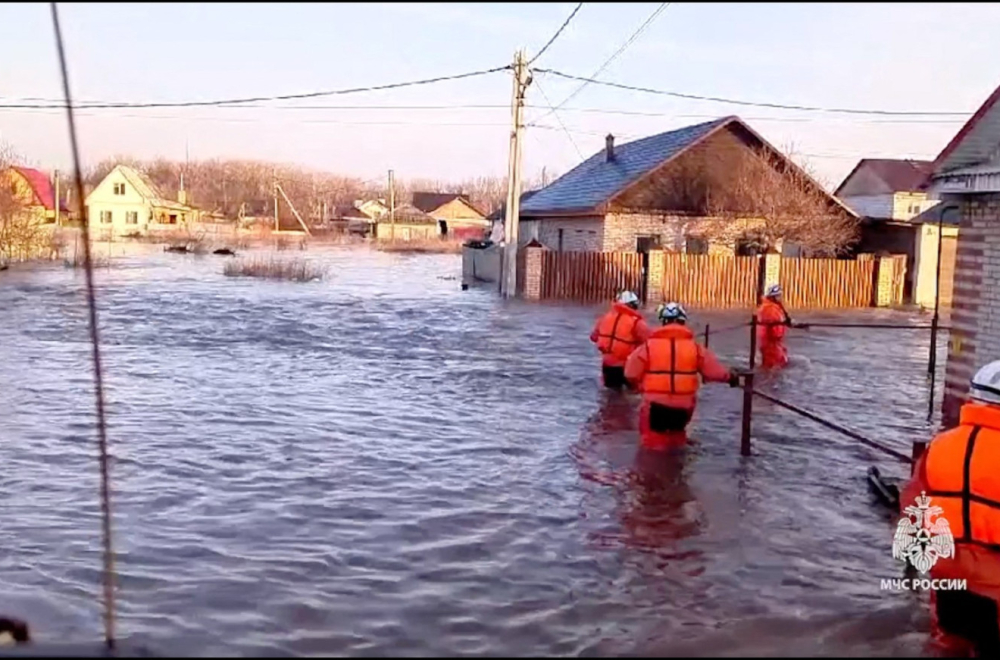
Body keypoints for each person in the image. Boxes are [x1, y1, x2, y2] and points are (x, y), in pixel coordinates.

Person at [901, 360, 1000, 656]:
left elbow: (913, 508)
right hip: (995, 584)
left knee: (948, 646)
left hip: (948, 575)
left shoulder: (940, 445)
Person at [624, 302, 739, 450]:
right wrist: (731, 377)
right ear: (683, 321)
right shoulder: (696, 348)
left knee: (651, 447)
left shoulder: (647, 347)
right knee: (677, 442)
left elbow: (630, 373)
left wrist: (640, 386)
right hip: (683, 407)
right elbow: (714, 372)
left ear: (663, 322)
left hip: (654, 407)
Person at [590, 290, 651, 390]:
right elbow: (650, 342)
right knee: (631, 396)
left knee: (610, 395)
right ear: (633, 305)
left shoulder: (604, 318)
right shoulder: (636, 322)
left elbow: (593, 337)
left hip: (607, 365)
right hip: (627, 365)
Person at [756, 284, 793, 370]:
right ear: (773, 297)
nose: (781, 297)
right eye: (779, 295)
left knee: (773, 366)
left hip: (771, 344)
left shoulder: (772, 307)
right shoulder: (770, 309)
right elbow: (776, 332)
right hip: (771, 344)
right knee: (772, 368)